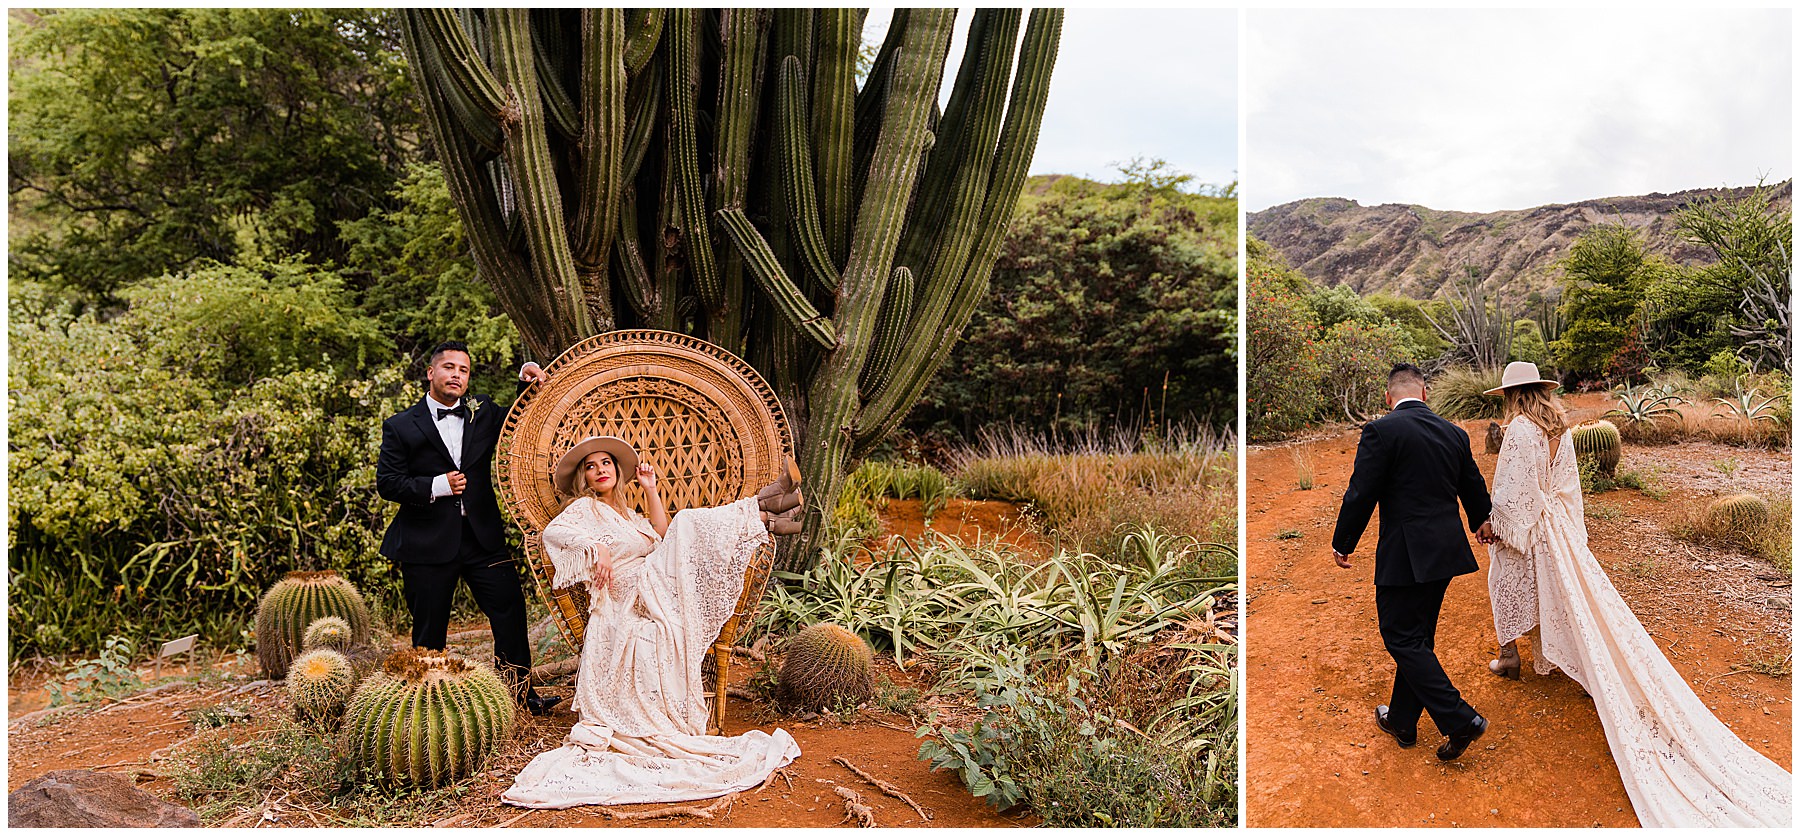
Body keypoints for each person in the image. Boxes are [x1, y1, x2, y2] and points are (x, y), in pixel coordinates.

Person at [1482, 361, 1790, 826]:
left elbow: (1512, 494)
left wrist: (1500, 529)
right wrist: (1568, 531)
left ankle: (1511, 656)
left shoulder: (1520, 431)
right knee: (1566, 595)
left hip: (1532, 528)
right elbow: (1567, 489)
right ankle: (1564, 657)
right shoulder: (1557, 428)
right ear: (1540, 392)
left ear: (1512, 395)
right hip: (1557, 527)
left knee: (1505, 578)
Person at [502, 436, 803, 808]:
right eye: (591, 466)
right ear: (584, 477)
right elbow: (553, 534)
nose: (600, 470)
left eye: (606, 463)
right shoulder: (583, 509)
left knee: (682, 525)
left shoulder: (631, 516)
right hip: (628, 597)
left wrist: (650, 489)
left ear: (617, 470)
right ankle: (768, 510)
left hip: (656, 584)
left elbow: (661, 535)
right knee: (689, 521)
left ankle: (769, 511)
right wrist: (596, 548)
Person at [375, 340, 559, 716]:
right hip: (426, 542)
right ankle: (428, 704)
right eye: (449, 368)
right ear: (431, 373)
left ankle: (519, 696)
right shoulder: (400, 426)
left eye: (463, 370)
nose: (456, 375)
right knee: (430, 629)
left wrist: (526, 378)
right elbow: (388, 482)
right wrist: (436, 486)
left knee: (509, 610)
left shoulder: (483, 413)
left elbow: (520, 420)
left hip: (481, 538)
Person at [1331, 363, 1497, 761]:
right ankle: (1402, 721)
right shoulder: (1453, 433)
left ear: (1389, 397)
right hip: (1444, 552)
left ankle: (1459, 718)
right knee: (1417, 637)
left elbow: (1361, 492)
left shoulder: (1381, 431)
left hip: (1403, 554)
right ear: (1425, 392)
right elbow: (1471, 483)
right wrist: (1481, 521)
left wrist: (1344, 541)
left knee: (1399, 637)